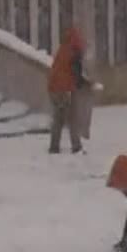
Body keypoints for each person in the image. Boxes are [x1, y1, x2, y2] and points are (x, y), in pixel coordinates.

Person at [47, 25, 92, 155]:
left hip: (54, 88)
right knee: (73, 118)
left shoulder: (64, 49)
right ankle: (76, 146)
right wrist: (87, 84)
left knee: (59, 119)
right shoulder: (74, 52)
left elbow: (66, 71)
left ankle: (54, 146)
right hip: (64, 89)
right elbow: (76, 75)